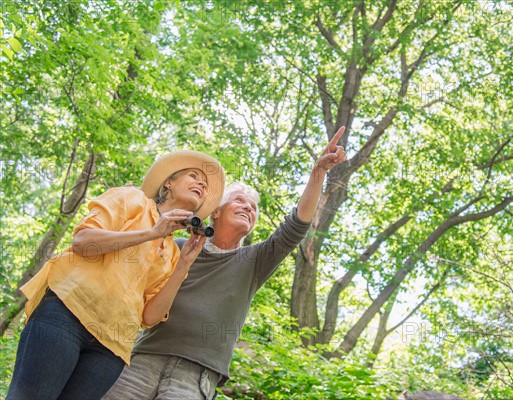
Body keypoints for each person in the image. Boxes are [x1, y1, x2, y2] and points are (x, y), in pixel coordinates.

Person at [103, 127, 347, 399]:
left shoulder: (254, 261)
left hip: (196, 373)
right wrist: (134, 201)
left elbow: (296, 226)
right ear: (215, 212)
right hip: (143, 359)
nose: (248, 208)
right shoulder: (177, 247)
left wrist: (318, 174)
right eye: (240, 201)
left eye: (253, 208)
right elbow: (132, 265)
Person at [7, 150, 225, 400]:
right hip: (66, 315)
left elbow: (151, 316)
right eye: (193, 176)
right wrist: (153, 232)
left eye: (205, 185)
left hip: (110, 349)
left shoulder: (175, 254)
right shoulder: (132, 198)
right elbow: (83, 242)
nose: (201, 184)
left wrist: (184, 265)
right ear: (169, 182)